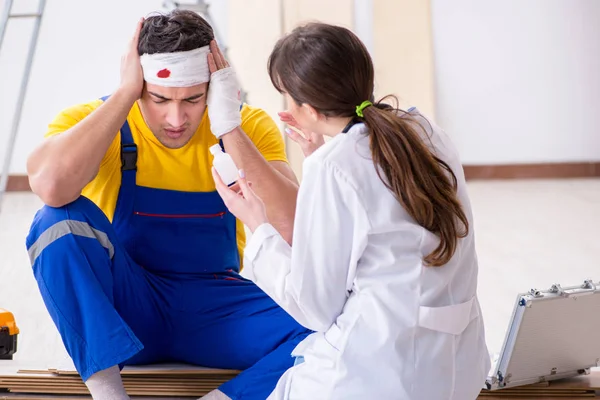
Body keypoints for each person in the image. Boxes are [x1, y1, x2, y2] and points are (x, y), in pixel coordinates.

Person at [25, 10, 311, 400]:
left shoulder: (247, 127)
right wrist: (125, 95)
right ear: (139, 81)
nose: (176, 118)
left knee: (329, 332)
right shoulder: (100, 120)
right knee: (56, 221)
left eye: (193, 99)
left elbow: (297, 228)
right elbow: (50, 186)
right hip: (129, 306)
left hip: (216, 308)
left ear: (212, 86)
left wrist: (229, 127)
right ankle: (109, 394)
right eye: (159, 98)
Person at [212, 22, 491, 399]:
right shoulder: (424, 131)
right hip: (456, 371)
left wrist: (258, 227)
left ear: (304, 108)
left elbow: (314, 308)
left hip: (376, 376)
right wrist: (323, 151)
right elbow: (384, 207)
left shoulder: (334, 167)